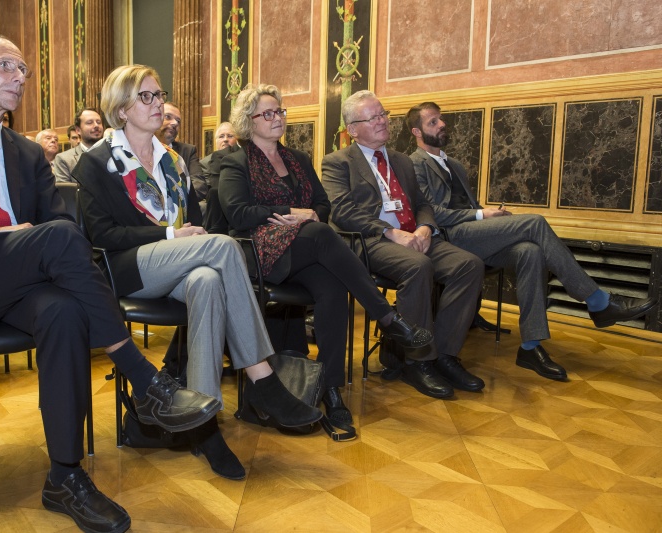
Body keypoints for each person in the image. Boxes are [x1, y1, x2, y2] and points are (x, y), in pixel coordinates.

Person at [0, 35, 221, 533]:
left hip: (18, 282)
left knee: (61, 310)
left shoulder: (25, 153)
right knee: (61, 236)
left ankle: (64, 475)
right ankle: (143, 378)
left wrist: (25, 241)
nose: (20, 76)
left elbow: (54, 231)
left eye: (23, 69)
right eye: (6, 66)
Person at [74, 64, 326, 481]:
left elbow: (195, 219)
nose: (159, 105)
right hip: (128, 266)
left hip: (182, 263)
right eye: (147, 97)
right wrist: (171, 233)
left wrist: (182, 235)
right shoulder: (97, 162)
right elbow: (103, 234)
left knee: (209, 280)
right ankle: (262, 377)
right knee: (223, 246)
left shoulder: (173, 161)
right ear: (121, 109)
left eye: (159, 94)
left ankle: (204, 427)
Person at [218, 83, 434, 422]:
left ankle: (331, 389)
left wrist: (307, 214)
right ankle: (387, 317)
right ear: (249, 121)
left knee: (333, 287)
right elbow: (238, 214)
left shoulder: (298, 159)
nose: (278, 118)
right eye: (269, 113)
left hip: (301, 248)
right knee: (319, 232)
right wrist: (291, 211)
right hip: (259, 252)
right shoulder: (235, 162)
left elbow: (322, 204)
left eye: (280, 111)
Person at [407, 101, 657, 380]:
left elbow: (468, 205)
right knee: (534, 222)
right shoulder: (414, 164)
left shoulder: (454, 164)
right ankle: (598, 302)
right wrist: (482, 214)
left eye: (441, 119)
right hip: (451, 237)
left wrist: (489, 216)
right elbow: (433, 213)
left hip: (476, 235)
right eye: (432, 122)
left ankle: (530, 346)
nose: (441, 124)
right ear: (417, 131)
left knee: (530, 251)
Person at [321, 90, 486, 399]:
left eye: (383, 114)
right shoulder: (338, 162)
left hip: (415, 235)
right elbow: (342, 211)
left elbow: (422, 202)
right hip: (370, 240)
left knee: (469, 265)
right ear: (352, 129)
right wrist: (390, 233)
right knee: (418, 266)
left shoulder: (401, 160)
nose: (383, 121)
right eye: (373, 118)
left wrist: (425, 227)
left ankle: (445, 356)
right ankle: (417, 361)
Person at [155, 101, 207, 199]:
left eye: (178, 121)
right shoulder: (141, 148)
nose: (175, 123)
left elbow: (199, 186)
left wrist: (175, 201)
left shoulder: (187, 151)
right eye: (168, 117)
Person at [54, 107, 103, 182]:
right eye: (90, 123)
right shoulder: (64, 159)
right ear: (78, 130)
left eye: (99, 122)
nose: (96, 125)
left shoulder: (113, 153)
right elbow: (66, 191)